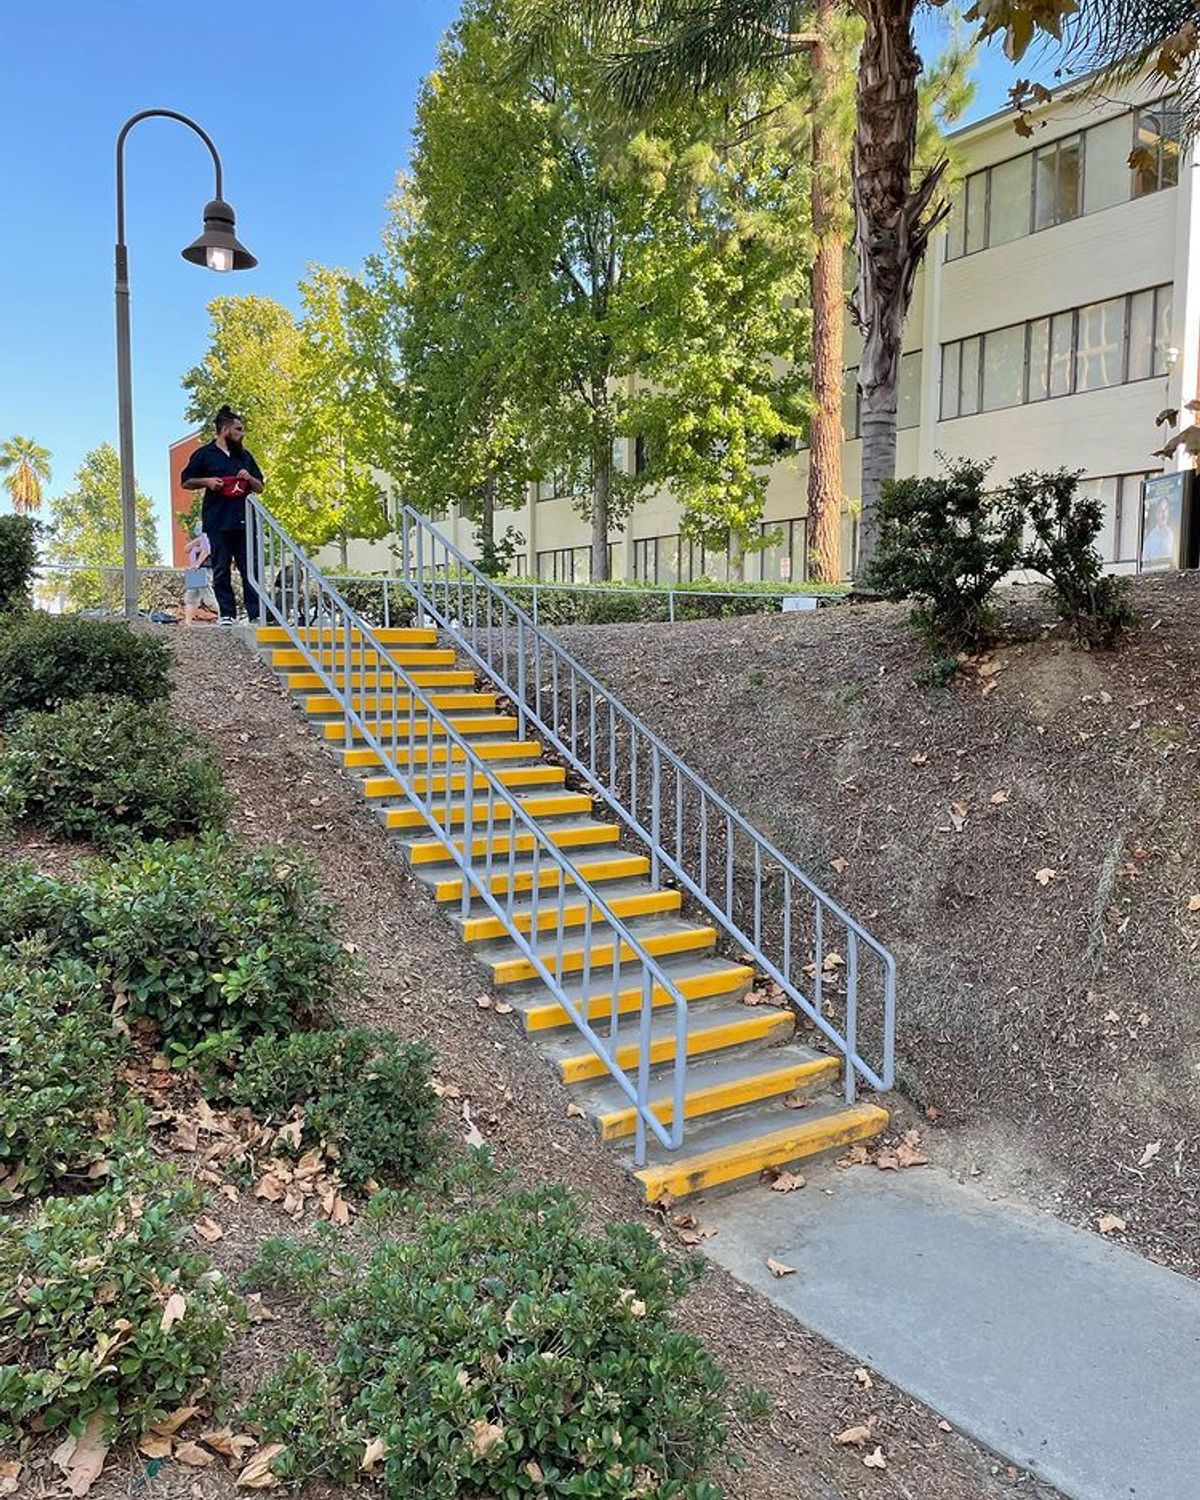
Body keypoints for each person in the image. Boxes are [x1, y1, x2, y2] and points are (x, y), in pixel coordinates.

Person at [180, 405, 265, 625]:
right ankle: (227, 614)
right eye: (238, 429)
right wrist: (207, 481)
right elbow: (186, 481)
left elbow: (260, 486)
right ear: (225, 429)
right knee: (221, 568)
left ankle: (255, 614)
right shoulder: (204, 455)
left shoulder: (245, 456)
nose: (241, 434)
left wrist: (249, 478)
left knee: (250, 568)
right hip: (217, 521)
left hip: (244, 521)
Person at [182, 526, 219, 625]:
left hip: (204, 569)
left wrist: (197, 564)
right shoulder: (200, 540)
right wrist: (198, 540)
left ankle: (225, 615)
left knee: (208, 598)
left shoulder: (209, 538)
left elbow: (206, 551)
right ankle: (187, 622)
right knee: (191, 597)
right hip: (195, 571)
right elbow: (186, 549)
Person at [1142, 498, 1176, 569]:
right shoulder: (1150, 538)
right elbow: (1145, 563)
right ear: (1156, 514)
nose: (1163, 514)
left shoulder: (1173, 534)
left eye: (1166, 509)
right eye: (1160, 510)